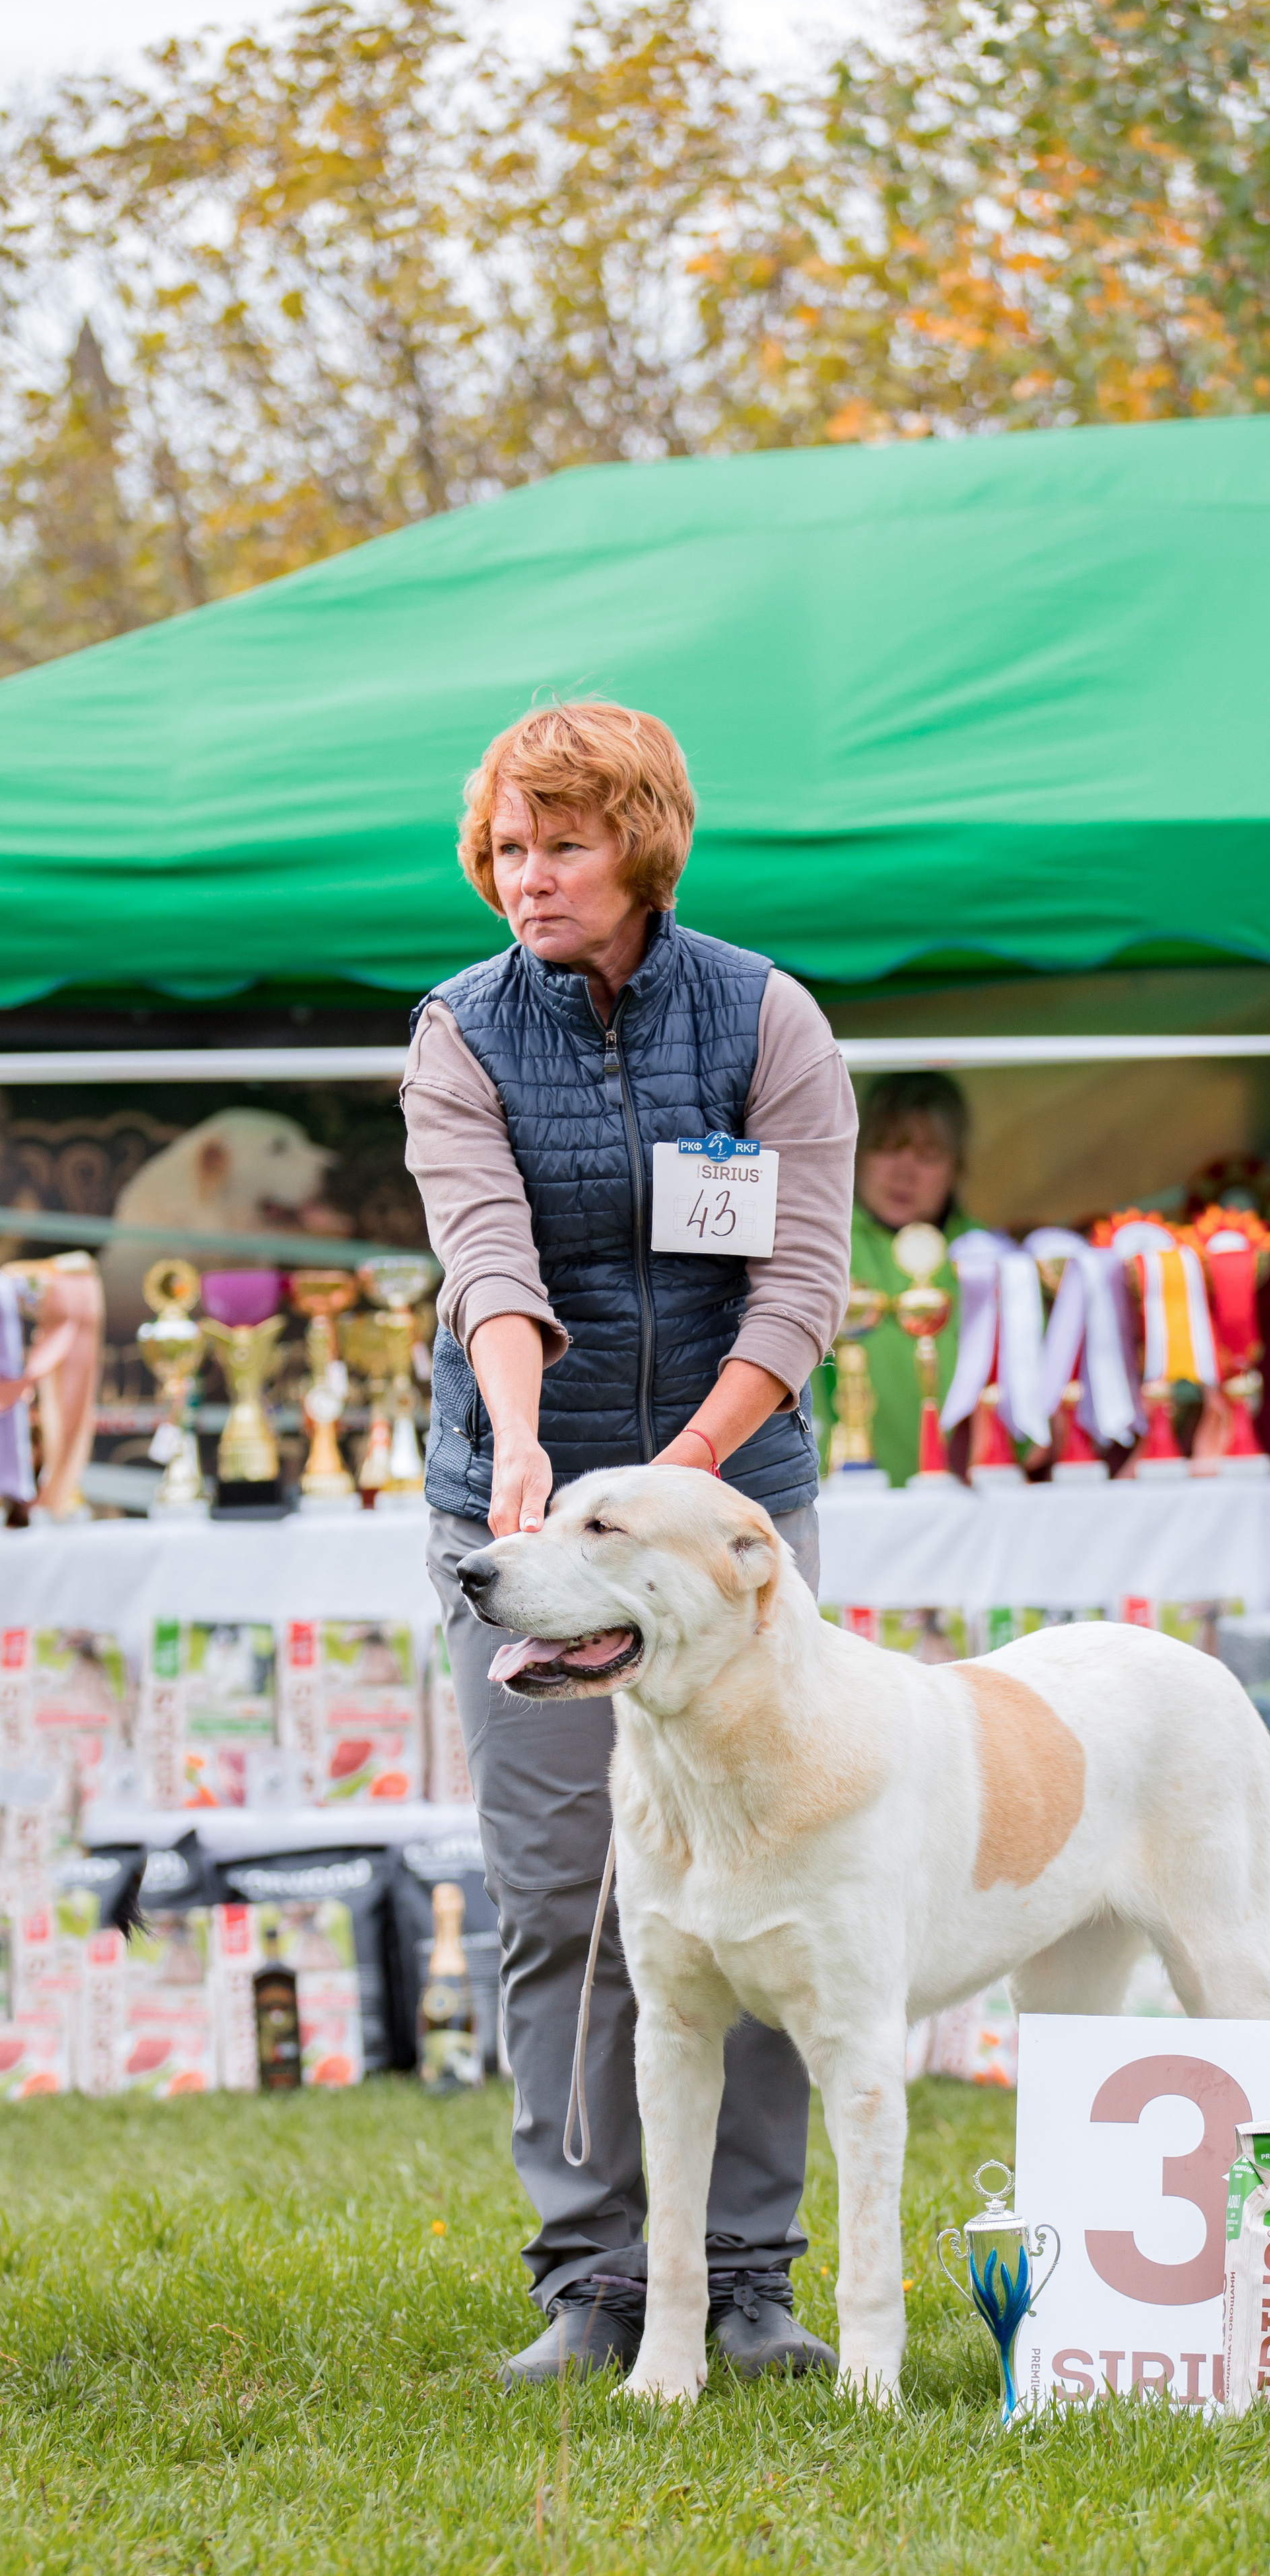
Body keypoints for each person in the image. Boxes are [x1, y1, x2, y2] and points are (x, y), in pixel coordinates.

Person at [403, 698, 856, 2386]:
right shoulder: (456, 1033)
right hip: (515, 1511)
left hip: (731, 1508)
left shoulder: (764, 1015)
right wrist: (530, 1450)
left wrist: (673, 1490)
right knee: (559, 1892)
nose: (528, 877)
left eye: (563, 844)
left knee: (767, 1884)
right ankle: (594, 2283)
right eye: (506, 850)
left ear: (642, 844)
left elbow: (799, 1280)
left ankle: (743, 2278)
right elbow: (488, 1261)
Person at [813, 1071, 980, 1486]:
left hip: (973, 1501)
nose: (904, 1171)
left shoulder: (988, 1259)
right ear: (853, 1153)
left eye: (928, 1154)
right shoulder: (816, 1243)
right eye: (887, 1148)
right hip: (842, 1497)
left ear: (957, 1168)